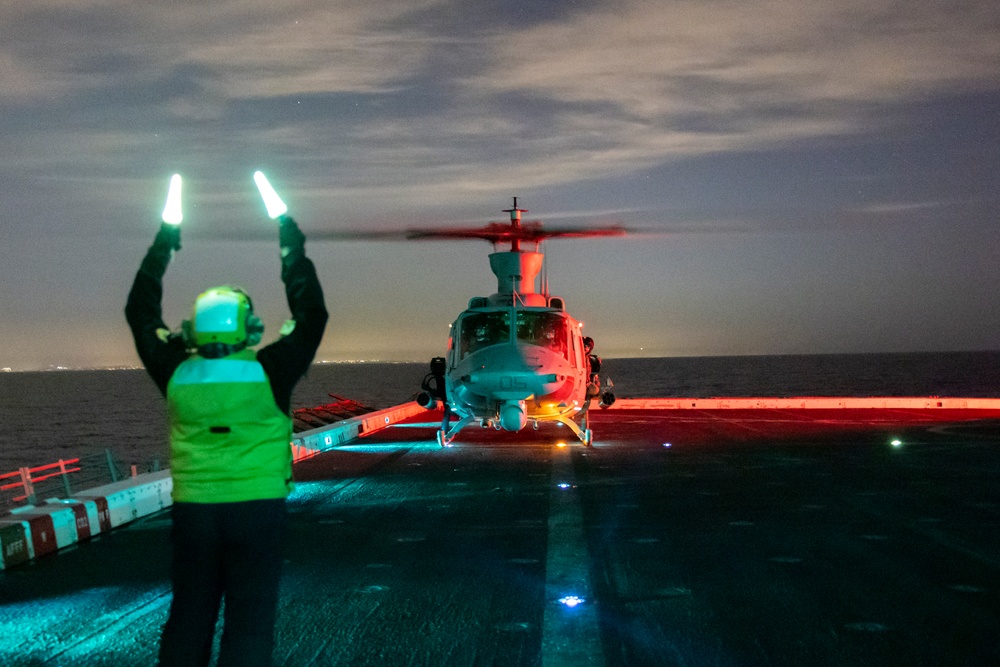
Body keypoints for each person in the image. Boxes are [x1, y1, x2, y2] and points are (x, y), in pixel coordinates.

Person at [125, 214, 327, 666]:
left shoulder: (176, 369)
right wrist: (291, 247)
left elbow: (138, 312)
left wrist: (163, 245)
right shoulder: (269, 370)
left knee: (188, 619)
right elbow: (312, 313)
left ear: (194, 327)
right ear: (247, 326)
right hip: (258, 511)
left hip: (194, 513)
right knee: (249, 625)